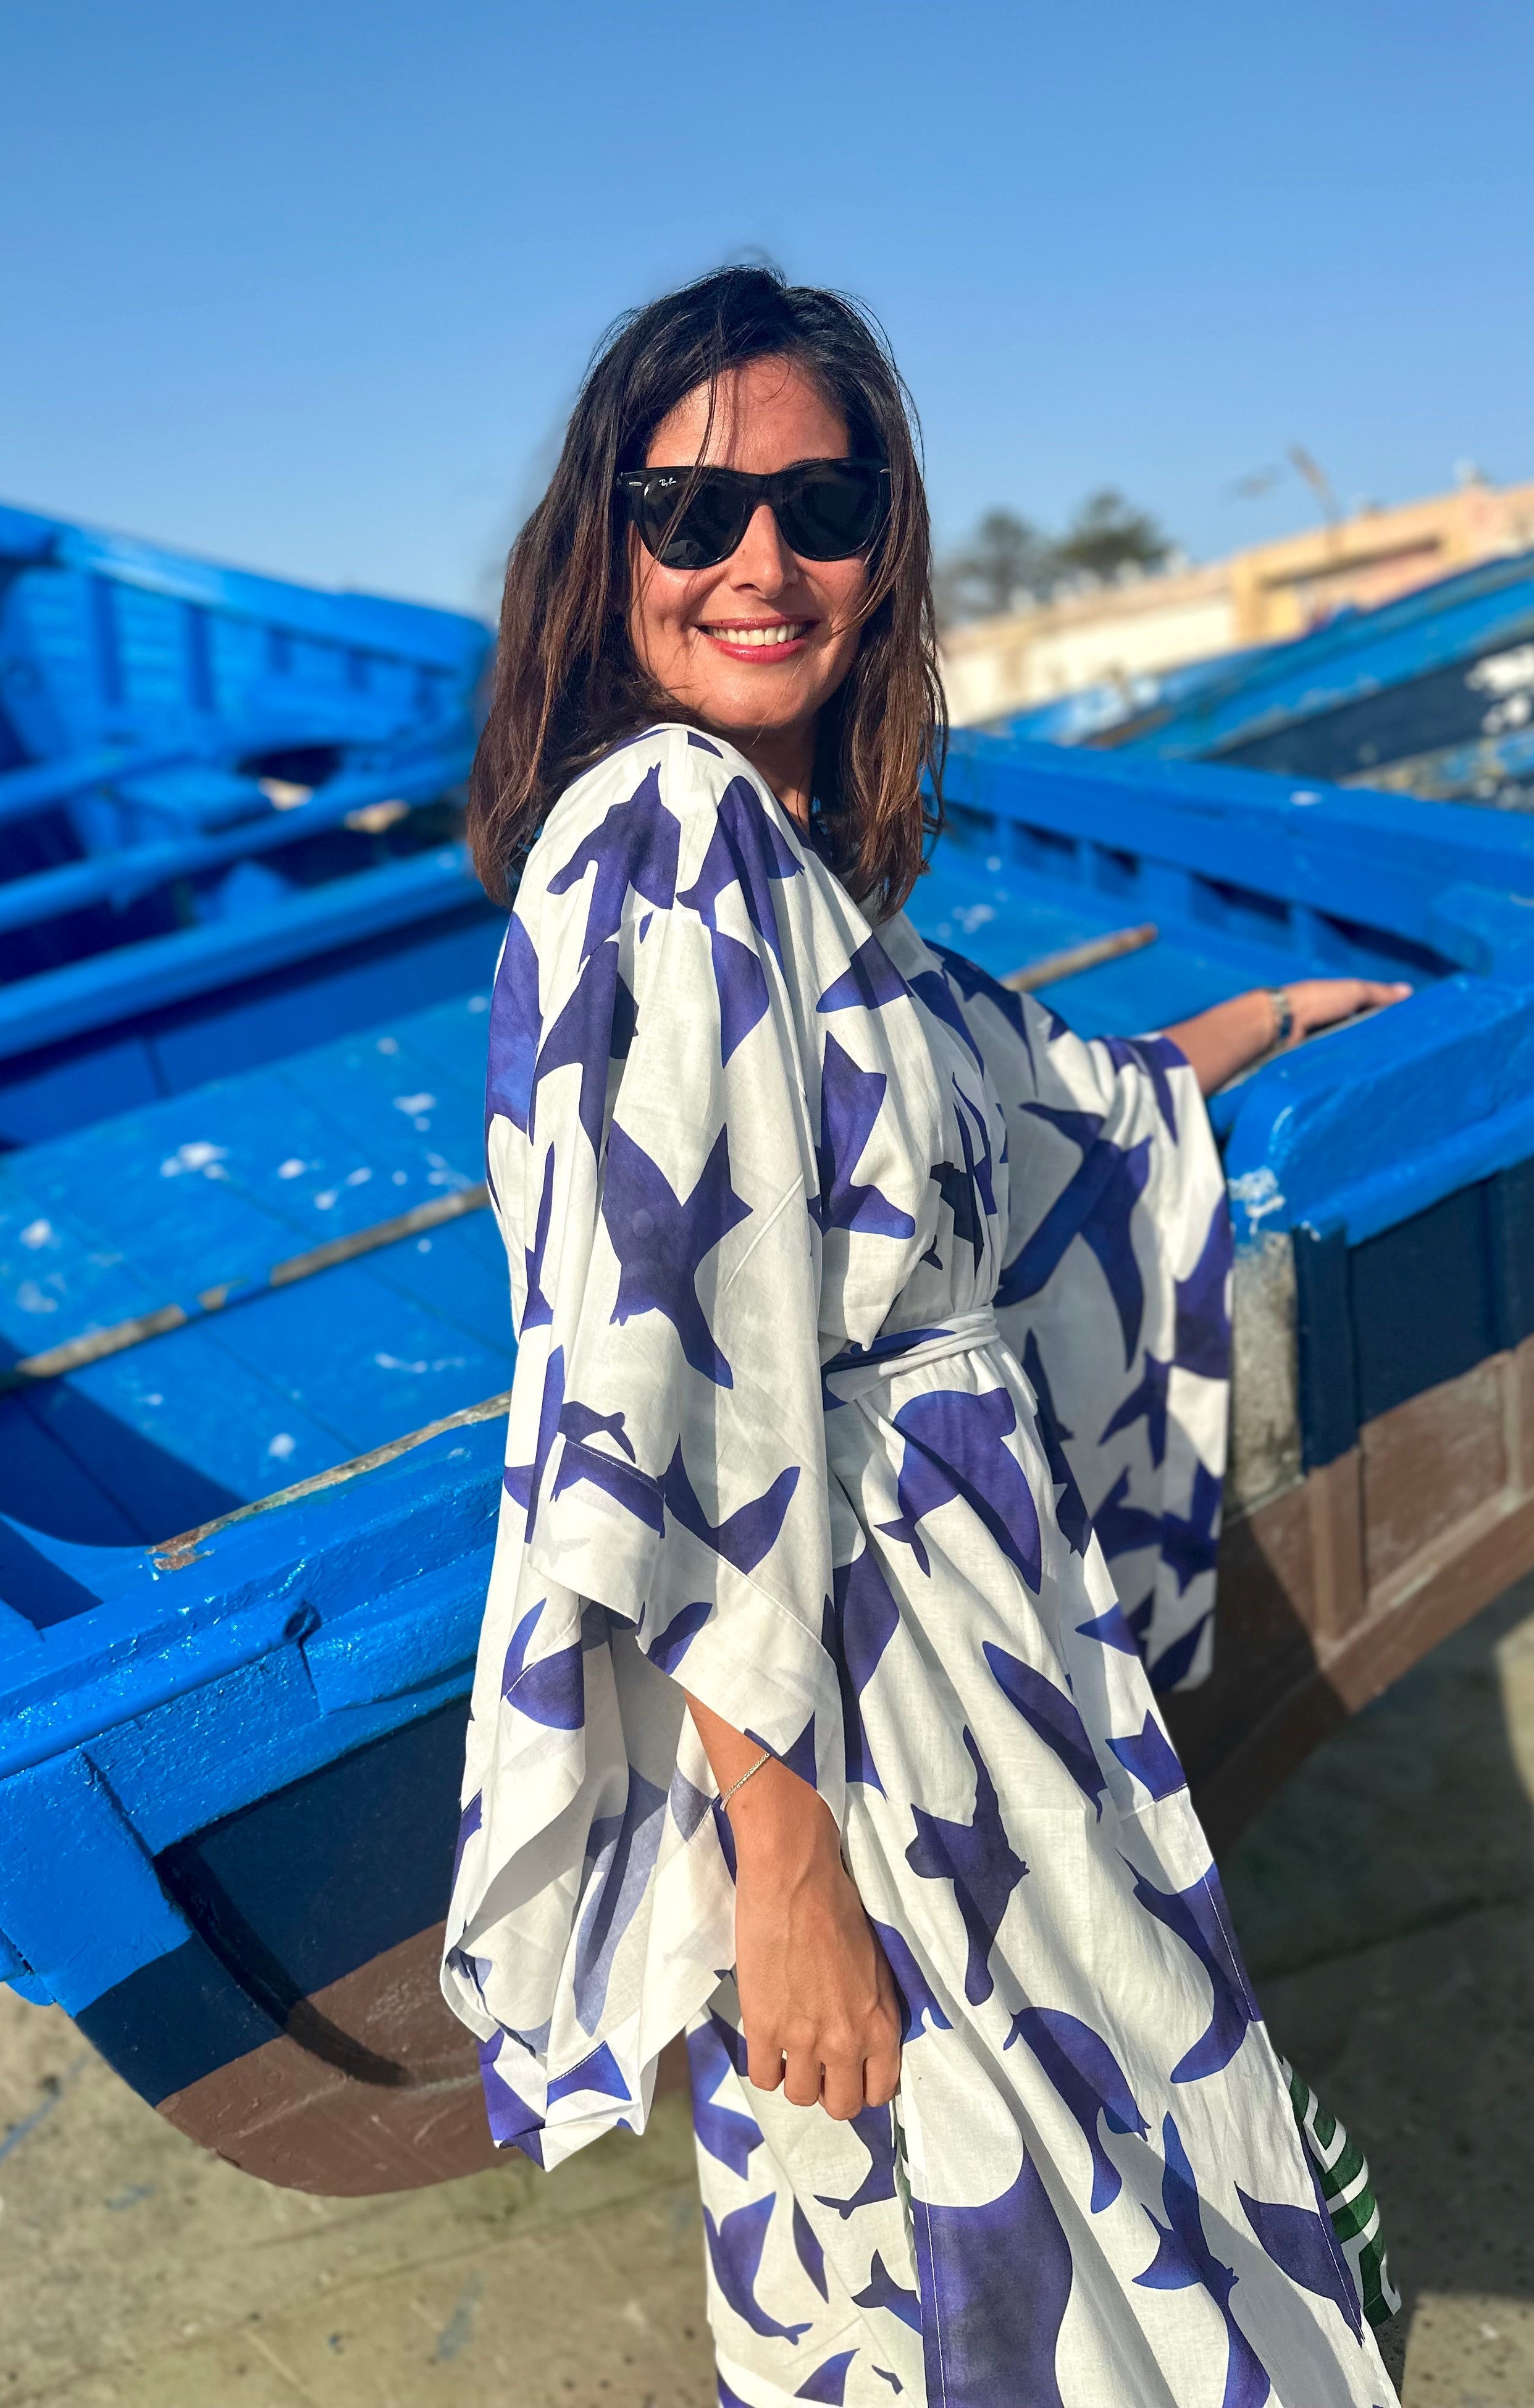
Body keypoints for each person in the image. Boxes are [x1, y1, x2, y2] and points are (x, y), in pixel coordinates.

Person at [443, 264, 1407, 2407]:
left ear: (885, 548)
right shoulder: (662, 841)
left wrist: (1257, 1024)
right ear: (602, 545)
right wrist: (780, 1869)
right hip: (855, 1717)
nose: (760, 562)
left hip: (977, 1674)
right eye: (690, 511)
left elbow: (1033, 1087)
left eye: (823, 506)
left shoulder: (800, 885)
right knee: (964, 2257)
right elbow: (660, 1395)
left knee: (1053, 2223)